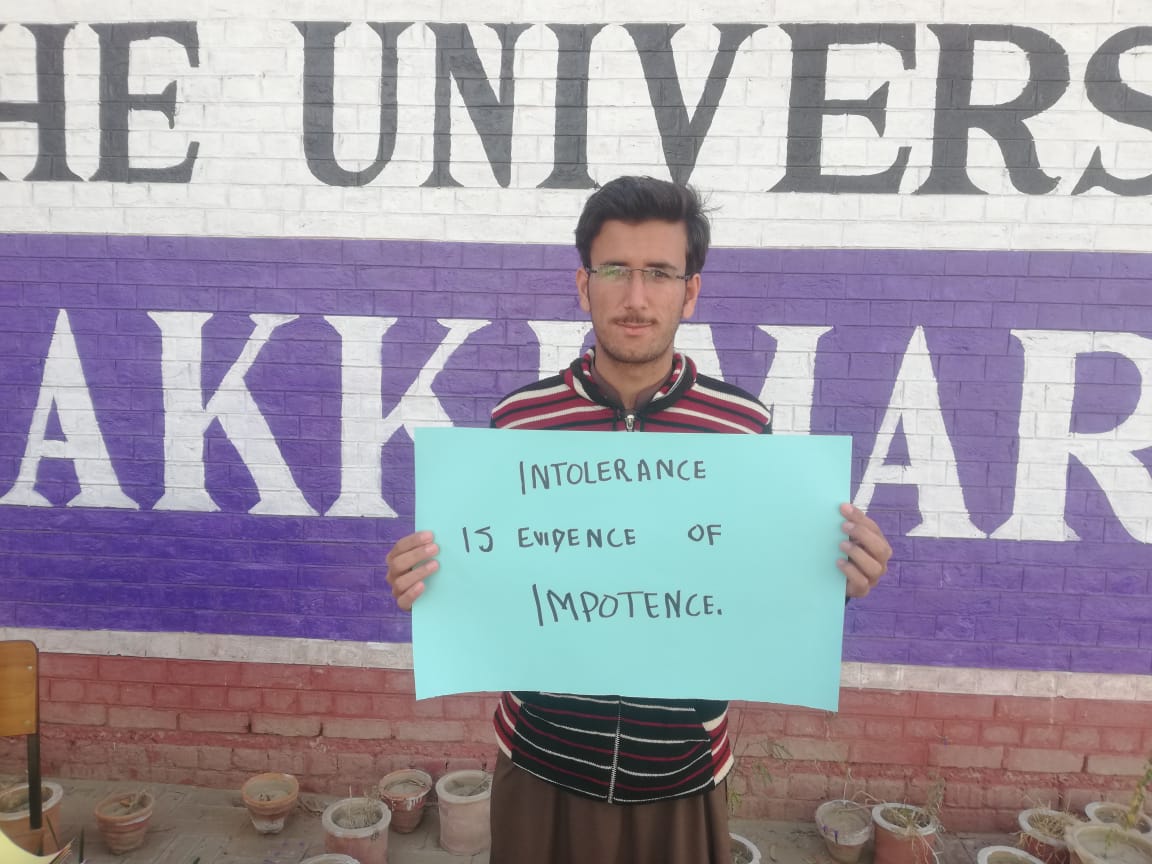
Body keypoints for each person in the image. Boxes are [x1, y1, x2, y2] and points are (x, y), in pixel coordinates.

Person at [386, 176, 892, 863]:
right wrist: (425, 577)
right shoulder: (518, 423)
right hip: (540, 761)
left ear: (690, 291)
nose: (634, 296)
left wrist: (832, 578)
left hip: (681, 771)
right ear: (582, 283)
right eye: (615, 270)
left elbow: (755, 581)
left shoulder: (743, 429)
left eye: (659, 273)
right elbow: (488, 571)